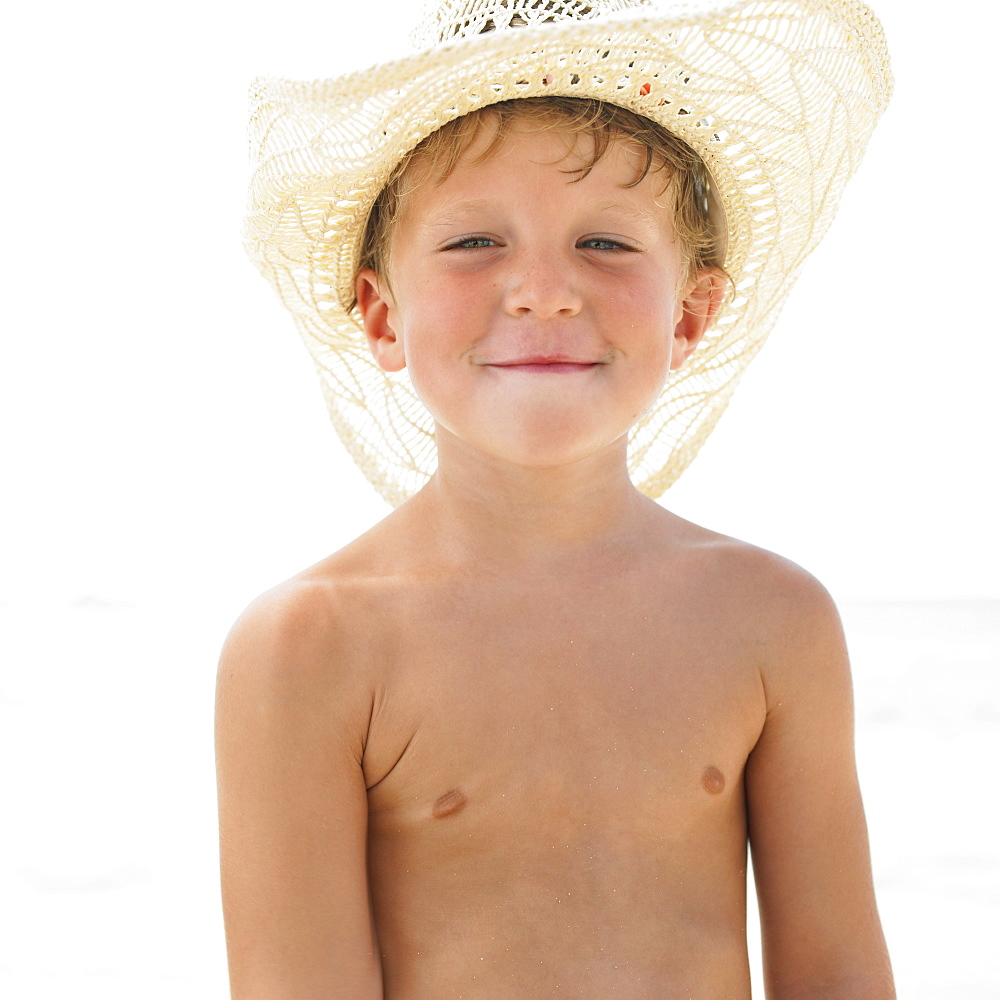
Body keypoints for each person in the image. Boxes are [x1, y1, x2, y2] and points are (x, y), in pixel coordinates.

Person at [216, 1, 896, 997]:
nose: (541, 289)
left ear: (691, 313)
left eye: (607, 245)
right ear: (379, 312)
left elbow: (837, 971)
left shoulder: (771, 619)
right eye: (474, 242)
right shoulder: (310, 645)